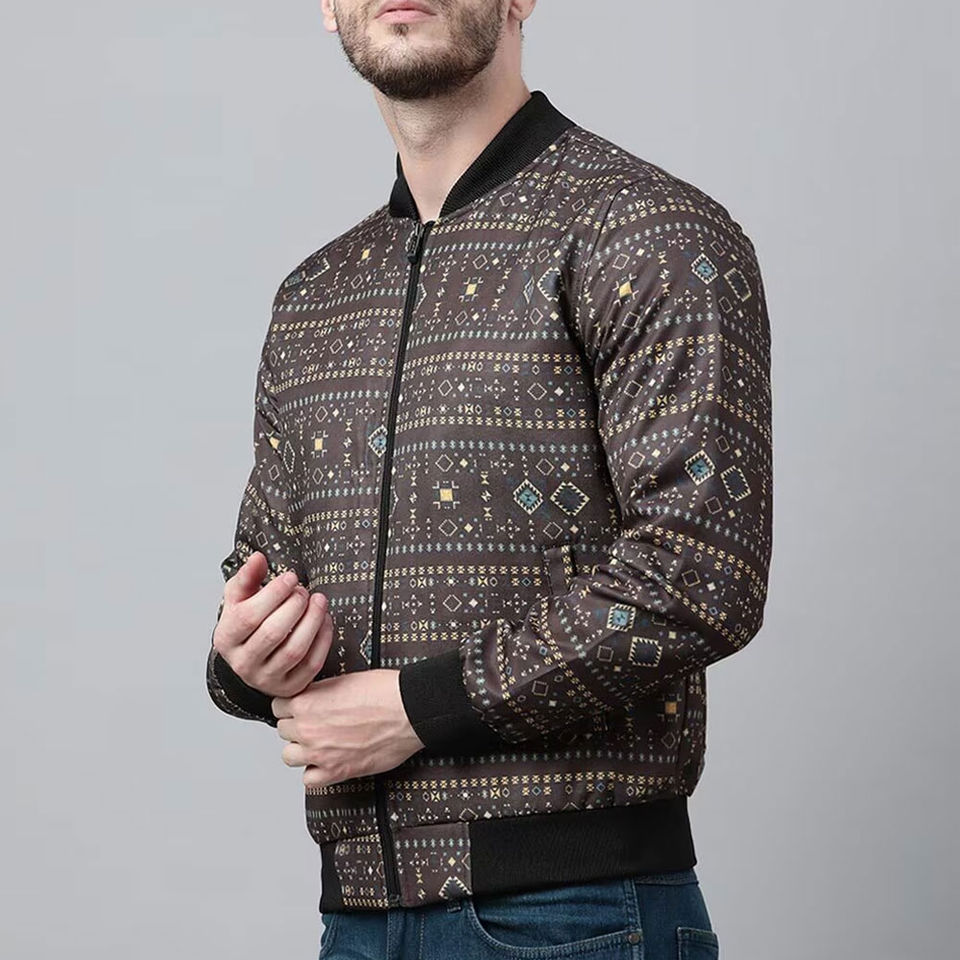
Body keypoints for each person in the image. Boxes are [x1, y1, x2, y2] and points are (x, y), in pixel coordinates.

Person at [205, 2, 773, 957]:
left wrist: (417, 711)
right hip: (356, 921)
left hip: (577, 914)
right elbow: (261, 574)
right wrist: (246, 661)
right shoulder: (315, 296)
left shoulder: (648, 231)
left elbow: (700, 573)